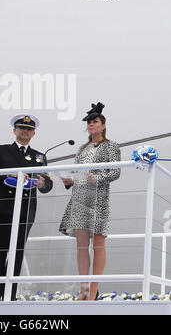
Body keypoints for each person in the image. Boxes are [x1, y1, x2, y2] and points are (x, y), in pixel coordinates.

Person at [0, 114, 53, 301]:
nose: (25, 131)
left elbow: (47, 185)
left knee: (17, 253)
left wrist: (41, 184)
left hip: (24, 210)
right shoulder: (1, 150)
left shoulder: (39, 157)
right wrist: (9, 173)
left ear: (34, 133)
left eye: (29, 129)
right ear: (15, 130)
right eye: (22, 128)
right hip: (2, 208)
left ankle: (9, 296)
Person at [59, 102, 121, 301]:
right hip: (79, 198)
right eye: (89, 123)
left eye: (95, 122)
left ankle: (93, 291)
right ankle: (84, 289)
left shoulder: (111, 146)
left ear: (103, 125)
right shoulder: (82, 149)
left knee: (99, 244)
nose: (91, 125)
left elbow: (115, 171)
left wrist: (98, 178)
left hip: (98, 198)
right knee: (81, 245)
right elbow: (77, 173)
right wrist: (68, 181)